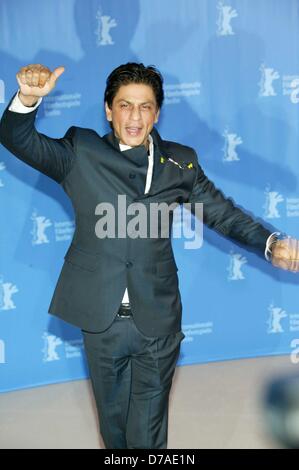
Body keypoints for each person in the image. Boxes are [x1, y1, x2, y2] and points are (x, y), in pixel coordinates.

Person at [0, 63, 298, 449]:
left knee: (148, 434)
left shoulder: (180, 163)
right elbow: (17, 138)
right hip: (101, 318)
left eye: (145, 107)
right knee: (114, 431)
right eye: (125, 106)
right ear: (108, 110)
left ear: (157, 113)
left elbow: (223, 214)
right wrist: (26, 100)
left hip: (157, 317)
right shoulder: (81, 151)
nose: (135, 117)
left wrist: (271, 243)